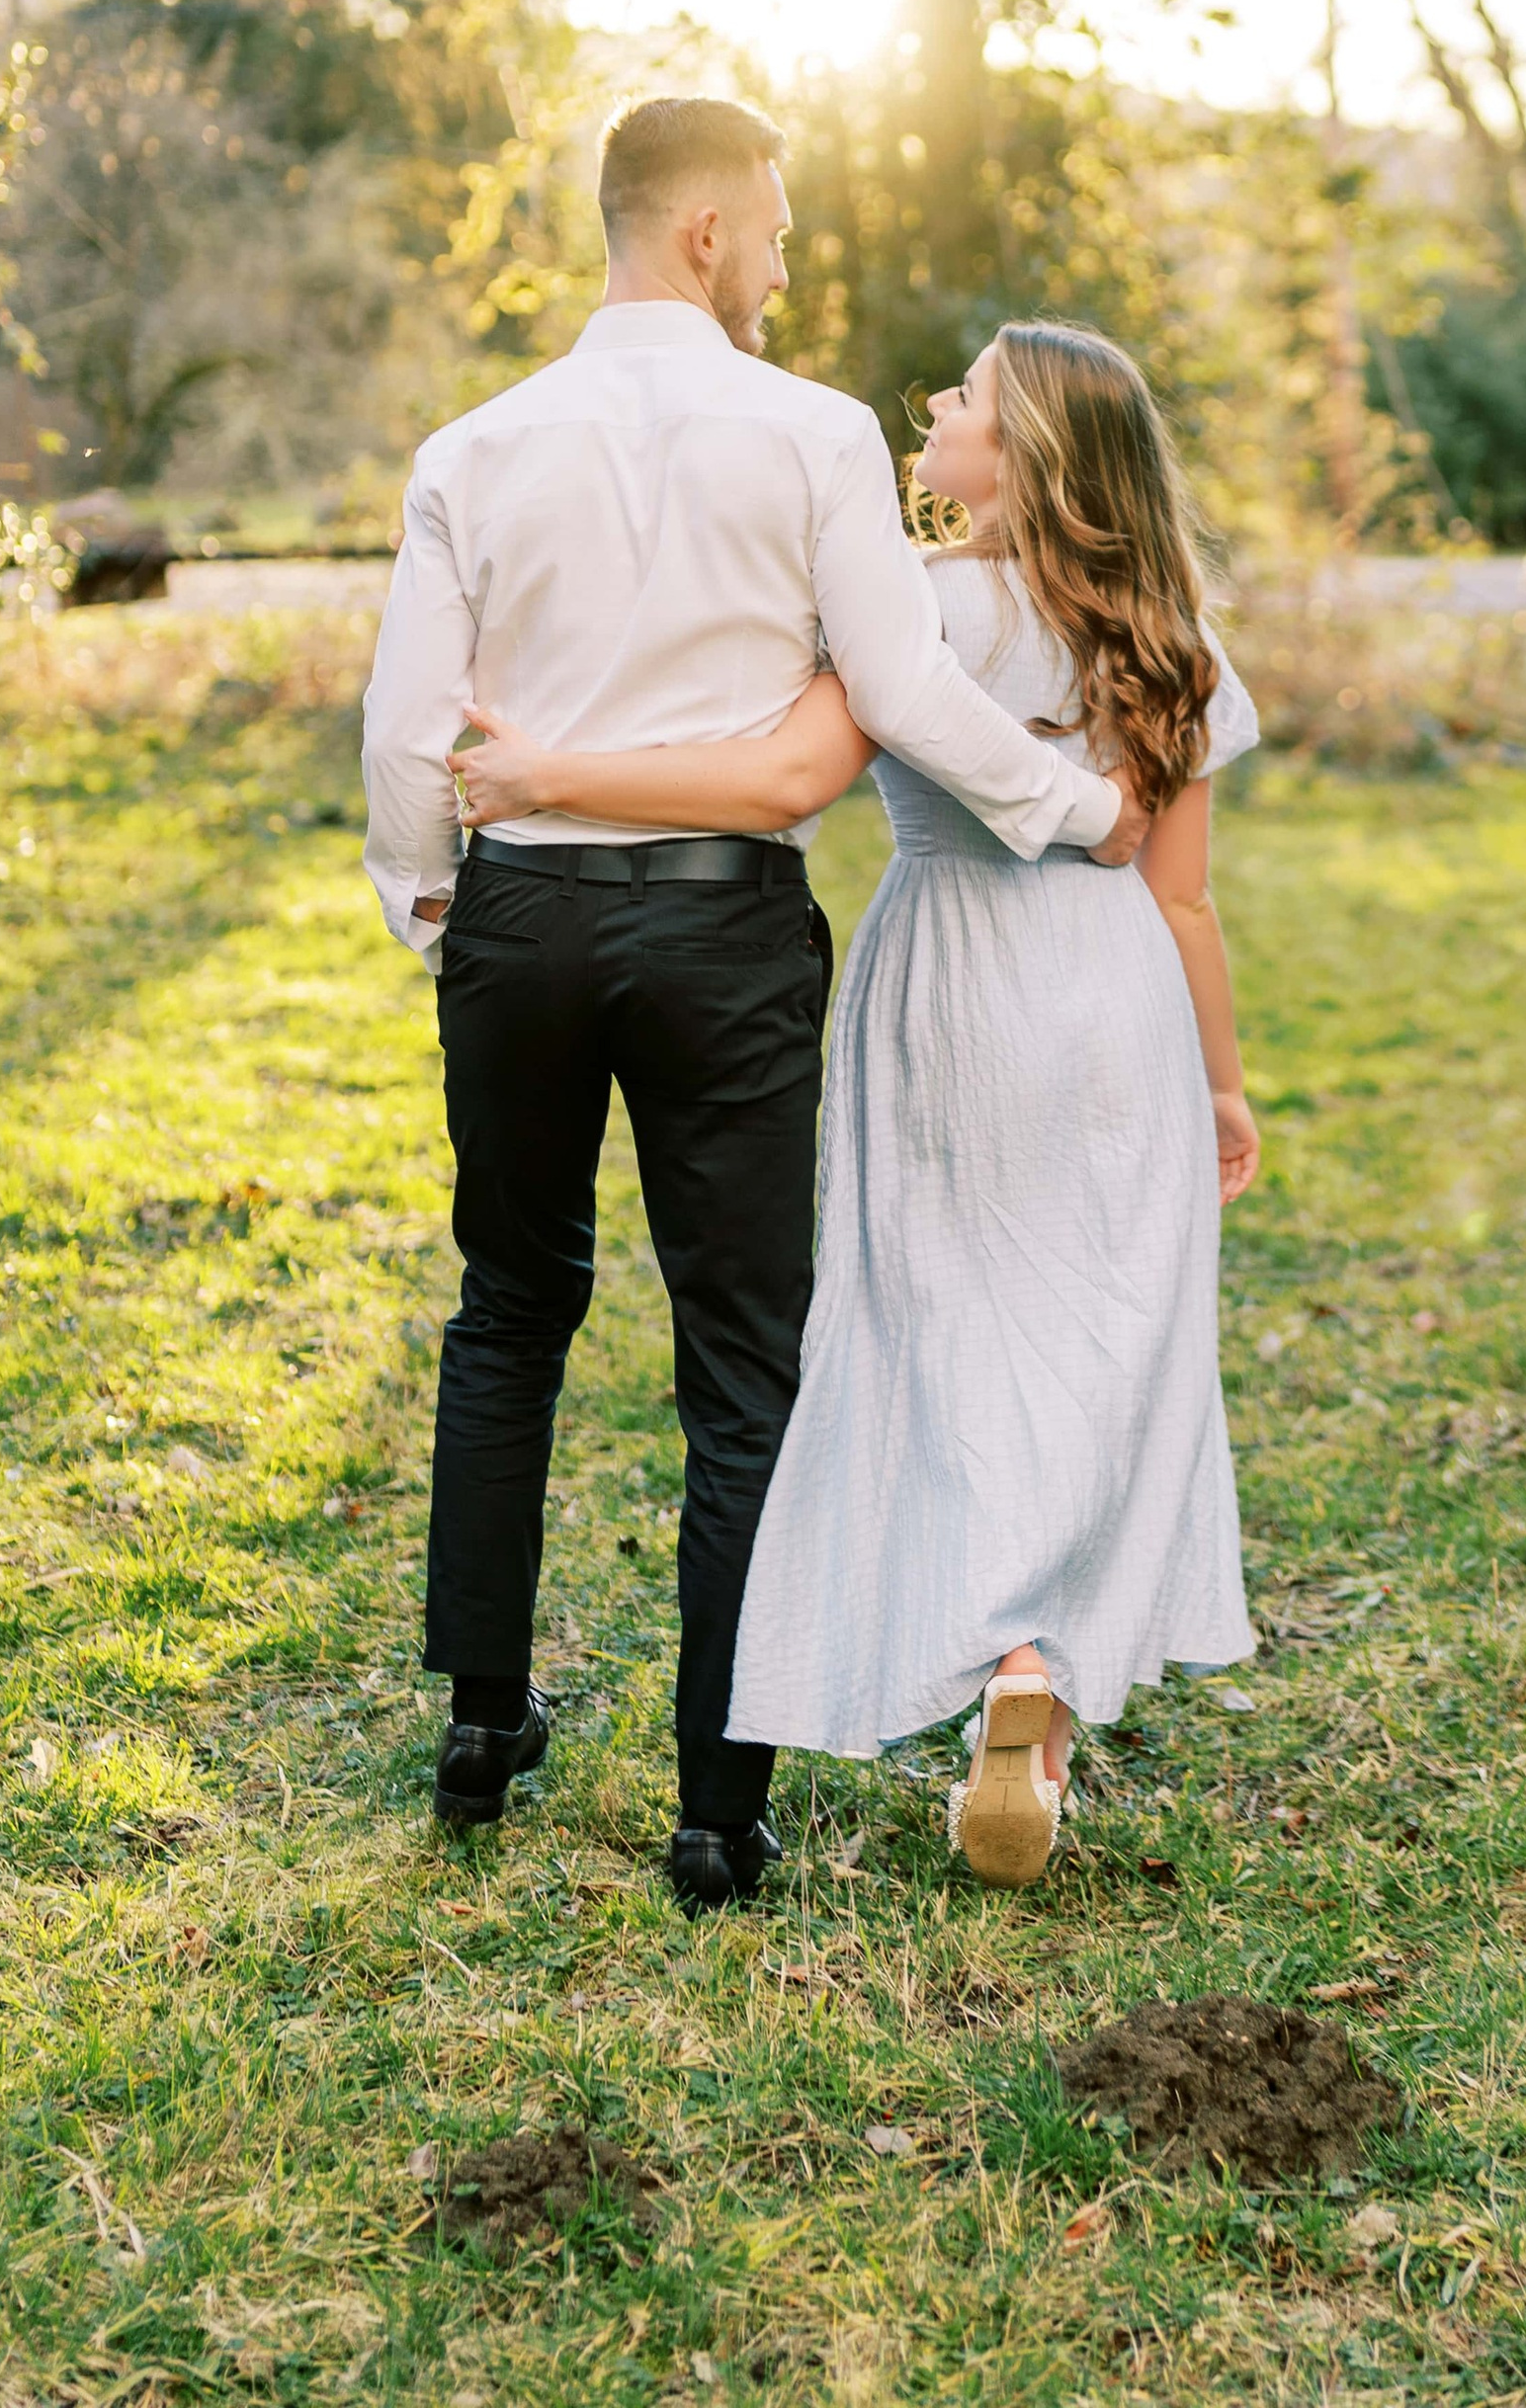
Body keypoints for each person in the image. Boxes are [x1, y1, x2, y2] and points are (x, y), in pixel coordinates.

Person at [359, 101, 1147, 1916]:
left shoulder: (472, 448)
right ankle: (721, 1815)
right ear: (704, 233)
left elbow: (414, 728)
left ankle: (483, 1726)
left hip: (525, 913)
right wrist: (1077, 806)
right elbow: (900, 690)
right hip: (720, 938)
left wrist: (435, 907)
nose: (790, 270)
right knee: (741, 1362)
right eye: (779, 235)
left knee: (510, 1305)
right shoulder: (809, 436)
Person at [453, 319, 1262, 1886]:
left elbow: (773, 782)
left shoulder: (921, 604)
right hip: (1118, 1010)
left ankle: (1005, 1646)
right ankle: (1035, 1696)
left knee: (946, 1322)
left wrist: (556, 776)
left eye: (963, 398)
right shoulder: (1173, 633)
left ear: (1019, 456)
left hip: (950, 989)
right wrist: (1221, 1080)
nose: (933, 409)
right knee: (1099, 1335)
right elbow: (1184, 903)